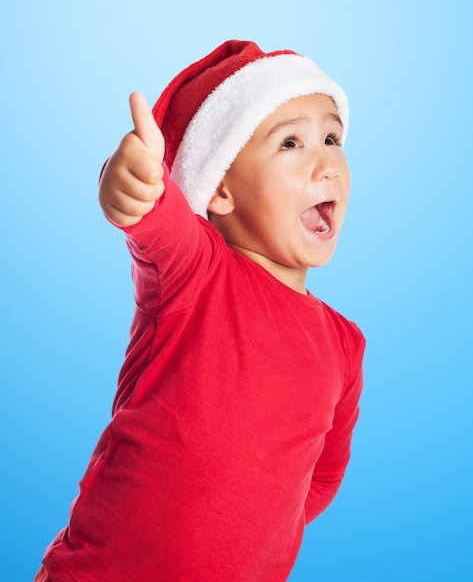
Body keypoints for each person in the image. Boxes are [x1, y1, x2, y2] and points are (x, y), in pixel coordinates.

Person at [36, 40, 365, 581]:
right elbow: (157, 218)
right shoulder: (195, 272)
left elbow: (322, 477)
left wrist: (251, 529)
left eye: (331, 137)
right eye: (291, 143)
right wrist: (133, 182)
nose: (325, 162)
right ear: (221, 191)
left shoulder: (345, 345)